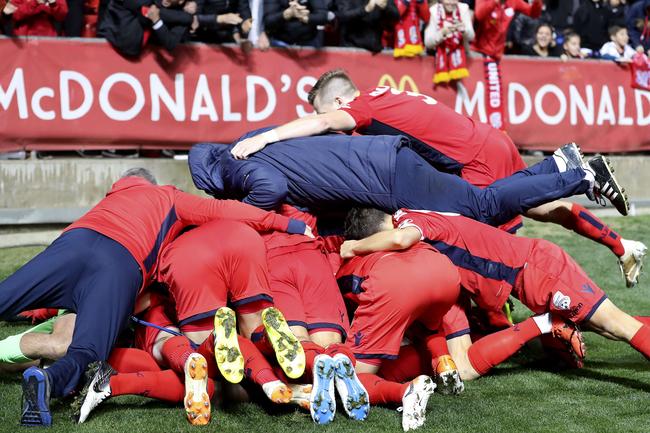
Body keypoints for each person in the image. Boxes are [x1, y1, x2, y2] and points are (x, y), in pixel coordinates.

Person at [229, 69, 646, 286]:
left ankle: (574, 173)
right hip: (485, 140)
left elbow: (320, 128)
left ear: (338, 99)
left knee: (486, 225)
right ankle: (617, 240)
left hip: (472, 158)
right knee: (540, 207)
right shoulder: (383, 94)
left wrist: (271, 135)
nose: (327, 119)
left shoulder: (359, 109)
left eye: (324, 109)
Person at [0, 167, 310, 427]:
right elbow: (225, 209)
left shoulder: (105, 204)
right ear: (152, 183)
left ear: (117, 185)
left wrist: (35, 311)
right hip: (121, 263)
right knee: (87, 351)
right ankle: (49, 381)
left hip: (72, 242)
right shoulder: (169, 197)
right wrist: (288, 223)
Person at [339, 207, 650, 383]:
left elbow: (401, 238)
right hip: (521, 276)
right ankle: (545, 323)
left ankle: (547, 322)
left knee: (616, 326)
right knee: (606, 327)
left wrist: (352, 247)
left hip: (536, 269)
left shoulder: (407, 220)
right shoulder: (421, 233)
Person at [192, 131, 617, 230]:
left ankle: (580, 175)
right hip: (388, 157)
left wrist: (237, 214)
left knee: (484, 208)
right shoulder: (253, 142)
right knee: (480, 199)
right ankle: (557, 163)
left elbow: (272, 189)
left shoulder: (233, 166)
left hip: (386, 177)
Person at [335, 221, 461, 430]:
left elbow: (342, 295)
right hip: (444, 271)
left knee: (352, 379)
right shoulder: (407, 235)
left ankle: (405, 392)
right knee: (427, 321)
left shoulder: (351, 258)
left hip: (393, 284)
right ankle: (444, 362)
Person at [424, 0, 474, 84]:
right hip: (436, 64)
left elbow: (471, 37)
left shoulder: (463, 9)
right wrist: (442, 33)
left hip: (461, 64)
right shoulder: (434, 11)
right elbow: (428, 42)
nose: (450, 3)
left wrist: (464, 30)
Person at [263, 0, 327, 46]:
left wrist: (305, 17)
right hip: (281, 42)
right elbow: (268, 22)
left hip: (308, 41)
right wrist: (287, 14)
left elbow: (323, 16)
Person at [2, 0, 67, 36]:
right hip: (24, 38)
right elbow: (15, 16)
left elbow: (61, 16)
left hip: (47, 39)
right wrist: (35, 2)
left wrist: (53, 4)